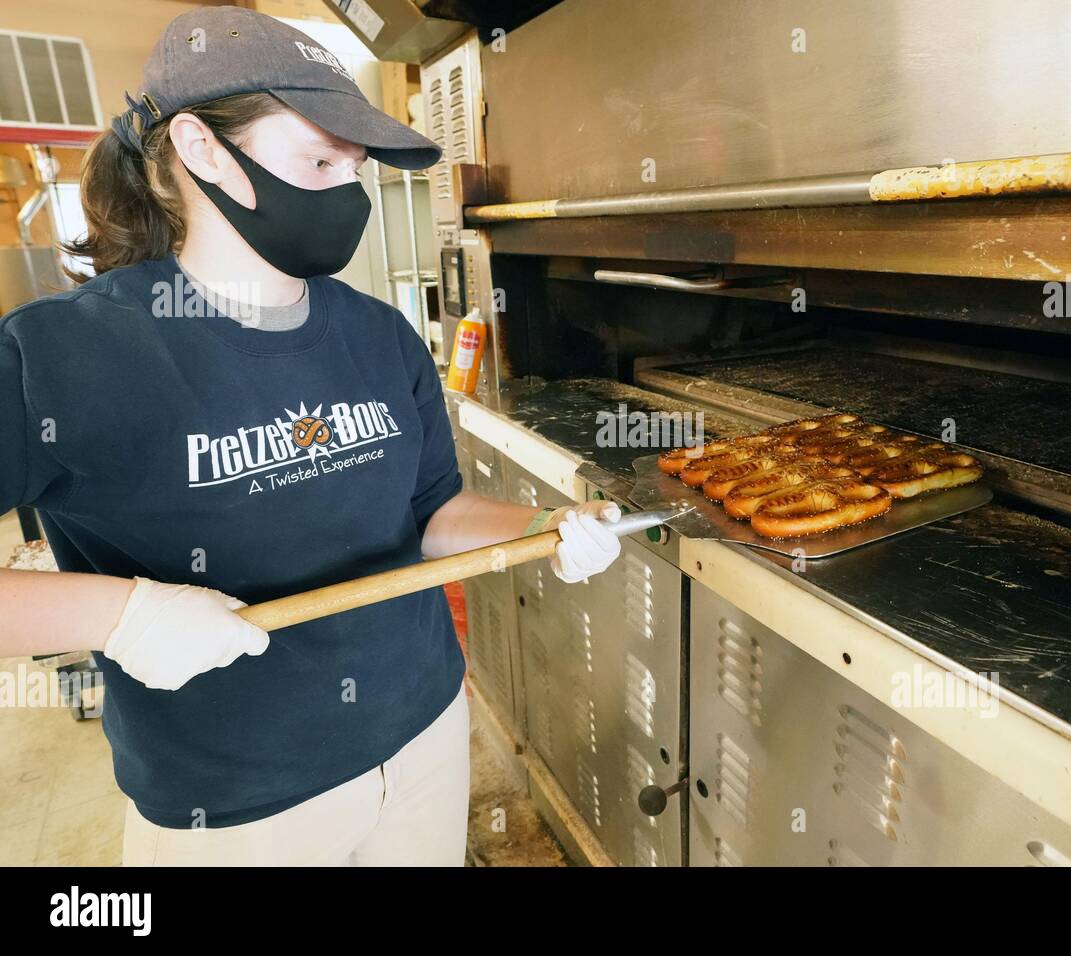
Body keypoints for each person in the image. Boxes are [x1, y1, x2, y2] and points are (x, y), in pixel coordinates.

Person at [0, 7, 621, 866]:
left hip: (425, 734)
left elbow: (432, 509)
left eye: (355, 168)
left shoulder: (379, 333)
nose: (345, 192)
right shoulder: (60, 354)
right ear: (202, 147)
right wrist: (120, 612)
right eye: (319, 160)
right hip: (239, 803)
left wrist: (538, 530)